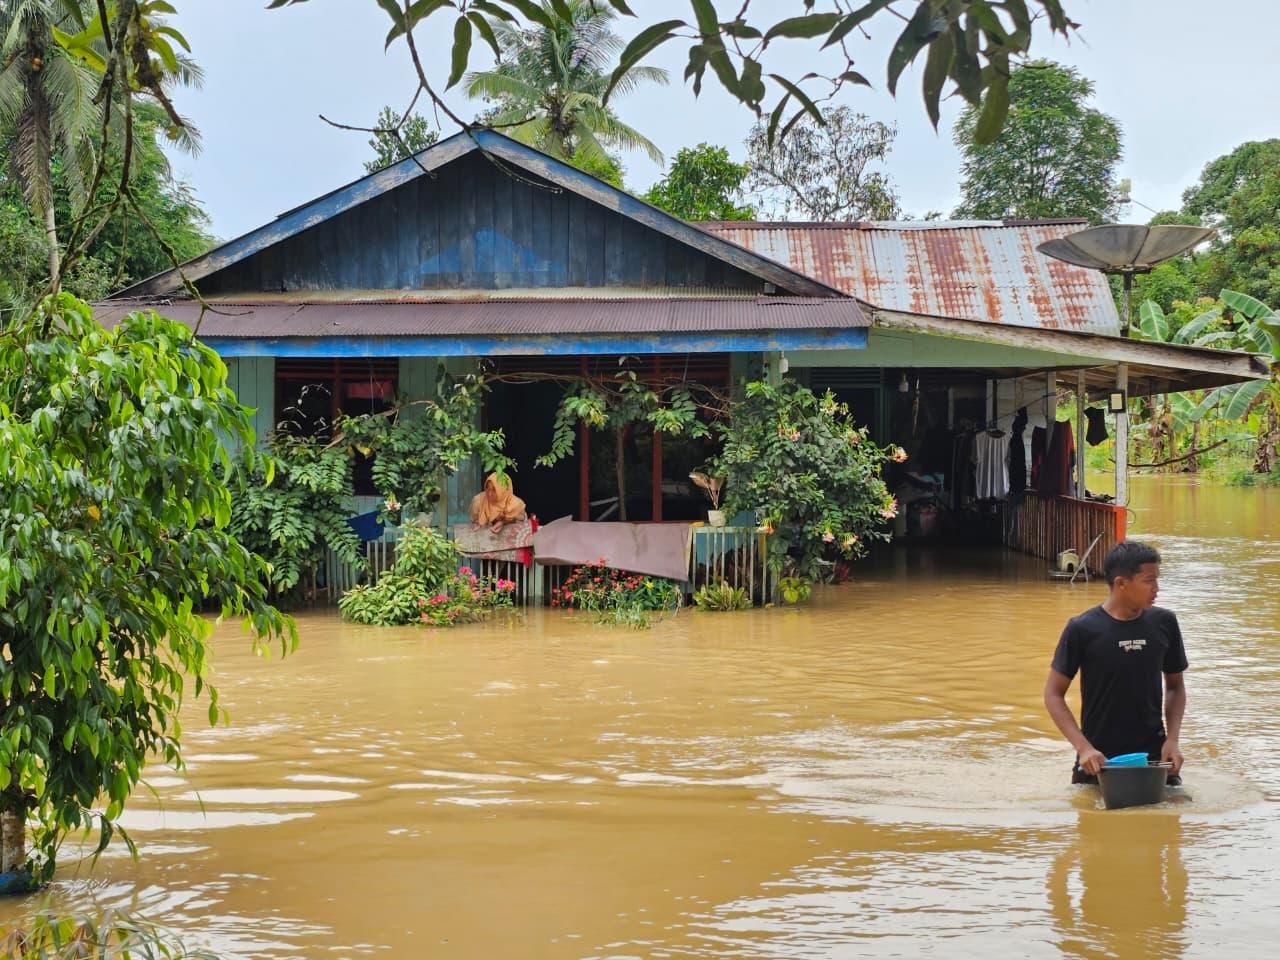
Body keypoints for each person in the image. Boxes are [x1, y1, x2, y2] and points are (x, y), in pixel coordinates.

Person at [1043, 541, 1187, 786]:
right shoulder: (1082, 628)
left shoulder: (1164, 623)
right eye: (1149, 580)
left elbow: (1175, 686)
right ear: (1121, 583)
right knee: (1094, 821)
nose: (1157, 588)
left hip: (1153, 759)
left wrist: (1172, 740)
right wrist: (1084, 748)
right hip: (1098, 762)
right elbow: (1053, 695)